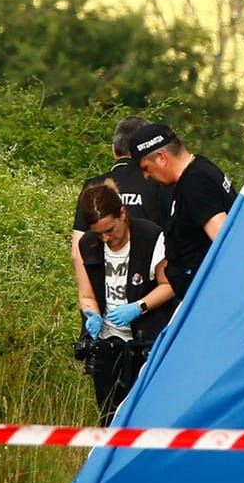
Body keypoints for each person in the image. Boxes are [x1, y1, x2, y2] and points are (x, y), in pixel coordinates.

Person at [74, 180, 176, 424]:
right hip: (108, 342)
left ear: (123, 214)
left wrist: (139, 306)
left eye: (110, 229)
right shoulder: (88, 244)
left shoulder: (151, 236)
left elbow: (169, 285)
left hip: (145, 340)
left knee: (145, 415)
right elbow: (86, 294)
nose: (106, 238)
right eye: (99, 233)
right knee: (110, 414)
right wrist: (92, 315)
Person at [130, 122, 236, 300]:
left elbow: (226, 243)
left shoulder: (196, 182)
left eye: (146, 168)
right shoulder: (200, 169)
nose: (146, 176)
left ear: (162, 158)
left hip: (209, 297)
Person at [70, 116, 173, 287]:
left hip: (105, 289)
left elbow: (77, 252)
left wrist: (91, 296)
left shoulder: (93, 187)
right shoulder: (161, 182)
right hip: (152, 289)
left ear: (113, 150)